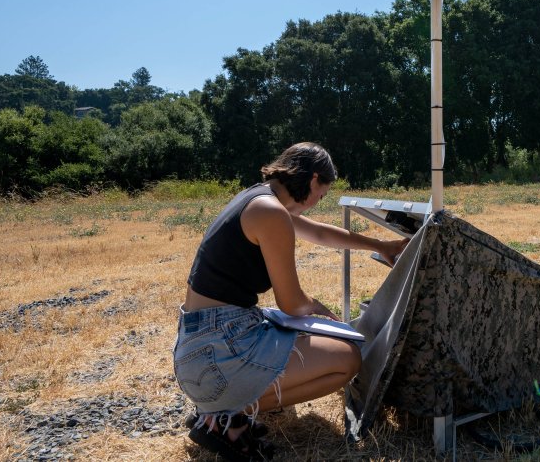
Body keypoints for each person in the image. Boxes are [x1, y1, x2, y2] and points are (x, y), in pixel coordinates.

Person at [174, 142, 408, 460]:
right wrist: (321, 312)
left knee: (315, 342)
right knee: (347, 360)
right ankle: (225, 415)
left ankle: (222, 406)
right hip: (219, 352)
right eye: (322, 195)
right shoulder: (271, 213)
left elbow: (321, 234)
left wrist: (381, 244)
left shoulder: (259, 199)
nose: (316, 203)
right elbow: (293, 305)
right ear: (313, 180)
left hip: (202, 347)